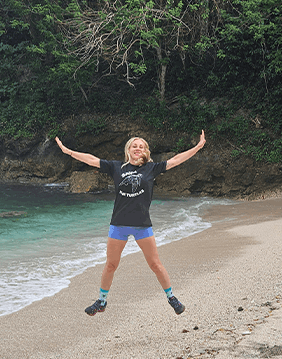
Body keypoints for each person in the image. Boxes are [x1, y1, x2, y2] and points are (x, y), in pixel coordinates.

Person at [55, 132, 207, 316]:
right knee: (111, 265)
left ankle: (171, 297)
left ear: (146, 152)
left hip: (142, 224)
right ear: (128, 150)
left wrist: (198, 147)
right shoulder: (116, 167)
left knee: (155, 265)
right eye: (134, 146)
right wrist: (67, 151)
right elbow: (91, 159)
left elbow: (175, 160)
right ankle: (102, 301)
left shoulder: (152, 168)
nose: (138, 148)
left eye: (141, 146)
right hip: (118, 224)